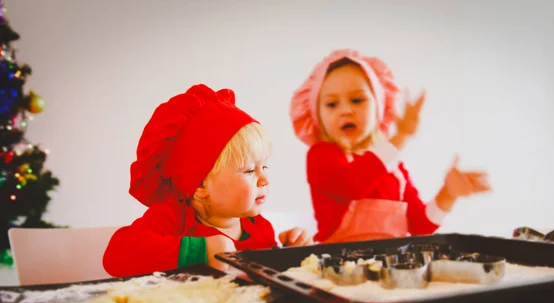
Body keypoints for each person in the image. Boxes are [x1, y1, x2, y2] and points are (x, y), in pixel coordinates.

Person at [104, 84, 312, 278]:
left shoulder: (258, 227)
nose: (264, 179)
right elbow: (116, 255)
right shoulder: (175, 219)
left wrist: (289, 252)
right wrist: (201, 251)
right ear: (201, 185)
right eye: (249, 170)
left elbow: (268, 279)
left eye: (264, 166)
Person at [289, 49, 491, 243]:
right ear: (317, 115)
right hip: (340, 269)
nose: (346, 110)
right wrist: (401, 136)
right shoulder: (321, 156)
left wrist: (448, 194)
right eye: (332, 104)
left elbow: (420, 225)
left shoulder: (395, 170)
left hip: (392, 270)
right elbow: (352, 184)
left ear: (379, 108)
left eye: (357, 100)